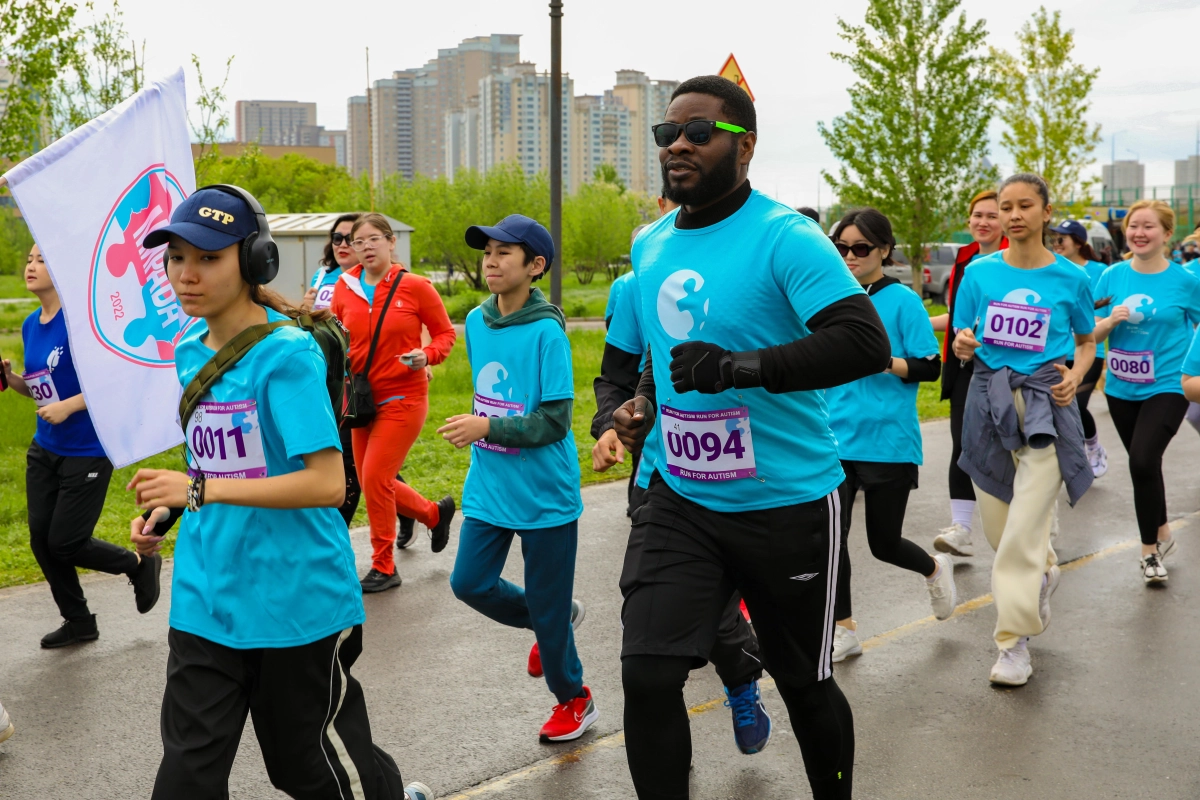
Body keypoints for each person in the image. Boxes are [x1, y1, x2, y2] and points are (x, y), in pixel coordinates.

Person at [612, 75, 891, 800]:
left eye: (698, 132)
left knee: (805, 685)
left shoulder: (783, 236)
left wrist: (740, 369)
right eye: (666, 134)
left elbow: (861, 341)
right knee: (646, 674)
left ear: (745, 145)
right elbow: (646, 357)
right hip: (682, 496)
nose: (677, 144)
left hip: (787, 501)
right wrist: (635, 405)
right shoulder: (649, 245)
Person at [126, 185, 433, 800]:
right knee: (184, 781)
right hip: (208, 599)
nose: (186, 274)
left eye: (207, 258)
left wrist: (200, 488)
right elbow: (219, 463)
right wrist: (173, 504)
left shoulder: (285, 356)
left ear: (254, 261)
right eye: (176, 257)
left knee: (304, 769)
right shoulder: (191, 351)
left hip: (297, 604)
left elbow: (325, 482)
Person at [594, 211, 773, 756]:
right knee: (654, 636)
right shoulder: (637, 281)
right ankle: (672, 749)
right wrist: (610, 425)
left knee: (712, 601)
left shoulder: (746, 265)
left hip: (746, 475)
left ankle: (741, 678)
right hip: (658, 476)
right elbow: (616, 371)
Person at [437, 214, 598, 744]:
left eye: (505, 252)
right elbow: (494, 394)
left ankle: (575, 699)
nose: (490, 260)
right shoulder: (478, 322)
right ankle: (551, 619)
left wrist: (487, 425)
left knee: (550, 621)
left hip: (544, 495)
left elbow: (553, 422)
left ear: (535, 266)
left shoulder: (549, 331)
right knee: (469, 583)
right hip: (488, 485)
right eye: (487, 251)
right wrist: (484, 425)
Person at [952, 173, 1095, 686]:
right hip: (988, 403)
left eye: (1024, 206)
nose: (1013, 215)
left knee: (1021, 531)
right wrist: (965, 345)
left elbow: (1085, 341)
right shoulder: (979, 272)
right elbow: (963, 335)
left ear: (1045, 212)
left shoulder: (1072, 279)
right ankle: (1045, 571)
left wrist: (1076, 377)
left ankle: (1012, 644)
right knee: (999, 530)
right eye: (1005, 206)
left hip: (1045, 409)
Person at [0, 244, 161, 649]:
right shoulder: (32, 324)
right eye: (30, 259)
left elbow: (113, 379)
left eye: (42, 260)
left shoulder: (81, 323)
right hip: (46, 448)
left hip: (87, 447)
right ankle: (78, 621)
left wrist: (68, 407)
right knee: (40, 538)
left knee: (66, 541)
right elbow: (42, 392)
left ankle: (139, 565)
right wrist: (11, 378)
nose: (31, 266)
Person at [825, 208, 957, 663]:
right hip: (833, 440)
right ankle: (844, 629)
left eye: (861, 248)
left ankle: (934, 568)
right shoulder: (827, 299)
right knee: (831, 540)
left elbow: (928, 365)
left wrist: (881, 361)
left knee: (884, 544)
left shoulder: (902, 301)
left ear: (884, 250)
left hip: (888, 440)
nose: (850, 256)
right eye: (842, 247)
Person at [331, 213, 457, 593]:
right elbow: (336, 340)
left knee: (374, 478)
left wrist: (426, 355)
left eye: (373, 239)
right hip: (359, 398)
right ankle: (434, 514)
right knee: (376, 481)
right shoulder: (343, 287)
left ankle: (384, 566)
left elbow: (445, 334)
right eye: (358, 242)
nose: (365, 247)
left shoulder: (416, 287)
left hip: (405, 395)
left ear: (390, 243)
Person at [1092, 200, 1200, 585]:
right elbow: (1086, 331)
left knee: (1141, 459)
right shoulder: (1111, 276)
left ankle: (1149, 552)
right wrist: (1107, 321)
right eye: (1133, 226)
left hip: (1169, 384)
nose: (1139, 233)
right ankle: (1164, 530)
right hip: (1120, 386)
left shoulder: (1187, 282)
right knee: (1146, 465)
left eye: (1148, 227)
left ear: (1167, 235)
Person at [305, 214, 418, 544]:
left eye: (349, 239)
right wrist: (305, 309)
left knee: (354, 466)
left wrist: (421, 359)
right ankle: (413, 511)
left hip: (366, 385)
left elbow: (409, 325)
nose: (342, 245)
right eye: (336, 238)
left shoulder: (389, 282)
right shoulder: (326, 275)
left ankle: (335, 542)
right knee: (373, 467)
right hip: (329, 379)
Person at [930, 191, 1009, 558]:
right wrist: (927, 323)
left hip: (1009, 368)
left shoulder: (1018, 258)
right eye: (977, 215)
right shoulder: (964, 258)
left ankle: (1032, 520)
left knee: (1014, 445)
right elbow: (960, 316)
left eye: (992, 215)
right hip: (965, 366)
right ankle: (961, 527)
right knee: (963, 442)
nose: (983, 222)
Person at [1051, 219, 1111, 477]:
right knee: (1060, 407)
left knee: (1076, 403)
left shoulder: (1099, 272)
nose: (1057, 243)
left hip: (1089, 350)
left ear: (1078, 241)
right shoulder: (1052, 269)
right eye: (1054, 238)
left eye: (1062, 238)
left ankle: (1093, 446)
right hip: (1059, 352)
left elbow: (1103, 310)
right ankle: (1070, 461)